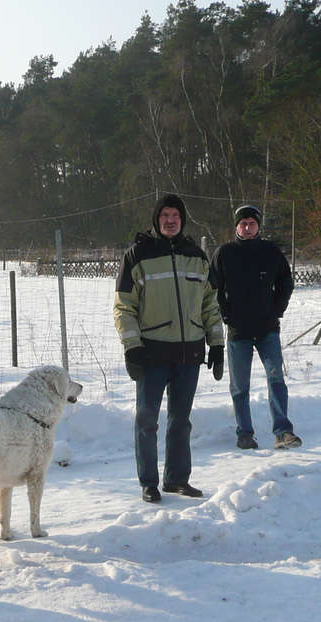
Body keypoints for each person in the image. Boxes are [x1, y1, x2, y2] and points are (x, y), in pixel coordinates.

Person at [114, 193, 225, 504]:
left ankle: (177, 479)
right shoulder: (138, 255)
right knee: (147, 419)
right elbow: (124, 307)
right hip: (151, 354)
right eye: (165, 215)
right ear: (156, 219)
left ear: (182, 220)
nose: (170, 220)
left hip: (189, 354)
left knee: (181, 420)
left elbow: (210, 305)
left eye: (175, 215)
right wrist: (132, 347)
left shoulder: (197, 257)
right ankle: (148, 482)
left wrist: (216, 344)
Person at [211, 204, 301, 450]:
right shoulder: (225, 253)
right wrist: (225, 314)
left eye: (252, 223)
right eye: (243, 224)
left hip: (267, 329)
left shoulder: (270, 251)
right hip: (238, 331)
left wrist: (277, 310)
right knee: (240, 386)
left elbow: (286, 282)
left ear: (258, 226)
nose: (248, 228)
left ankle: (283, 431)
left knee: (276, 379)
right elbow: (213, 289)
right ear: (236, 227)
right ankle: (245, 433)